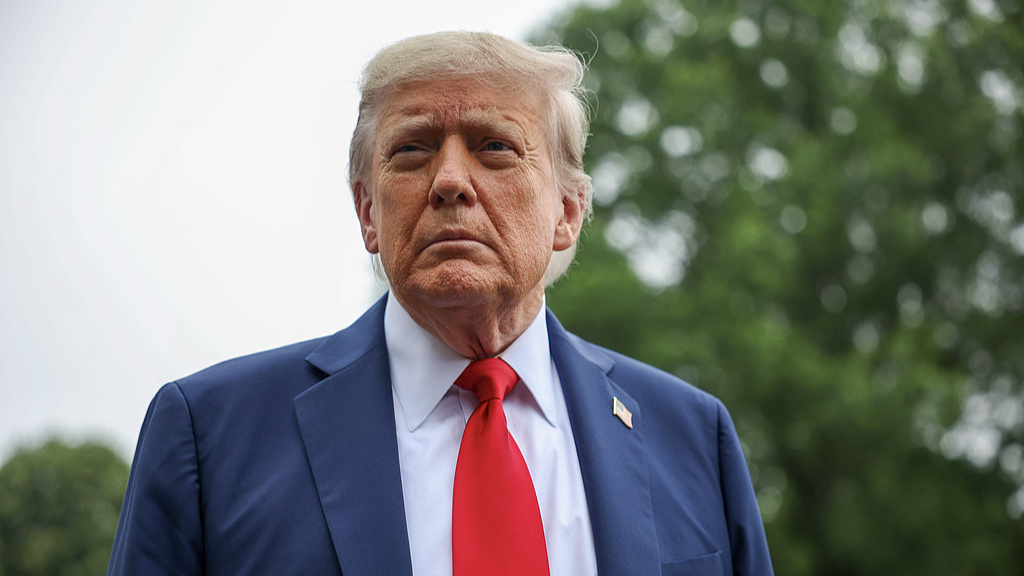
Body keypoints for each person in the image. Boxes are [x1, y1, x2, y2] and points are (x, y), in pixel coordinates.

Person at [107, 31, 773, 576]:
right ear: (367, 211)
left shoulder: (693, 436)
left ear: (567, 213)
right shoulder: (208, 436)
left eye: (494, 146)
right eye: (412, 150)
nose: (450, 181)